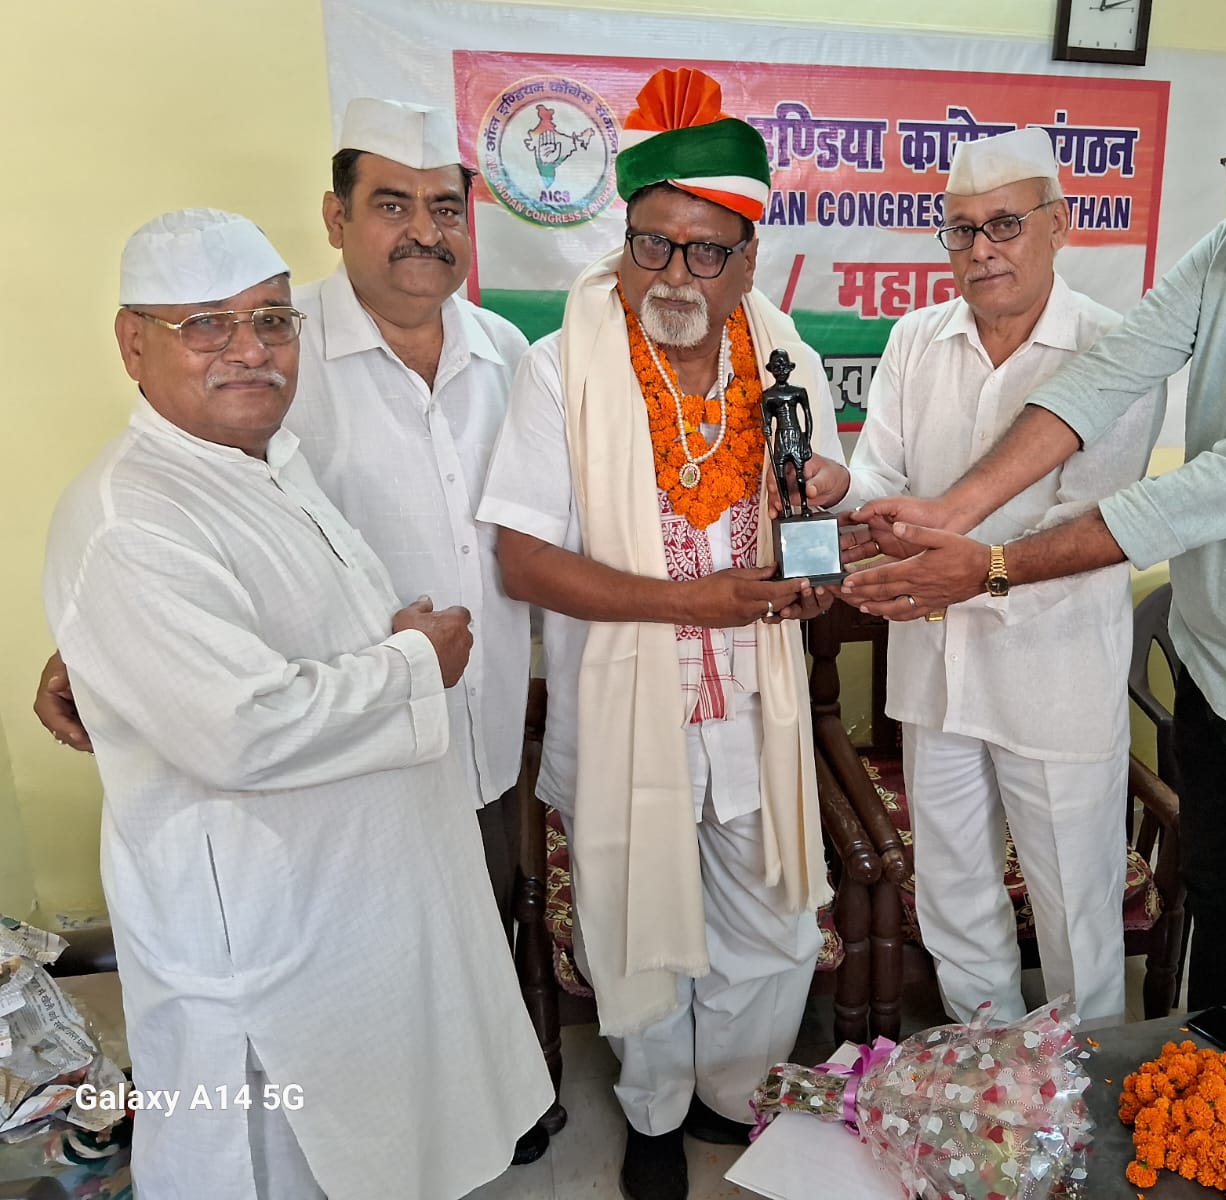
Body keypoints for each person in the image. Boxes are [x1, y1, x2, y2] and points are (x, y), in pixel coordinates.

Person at [841, 58, 1226, 1059]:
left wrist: (984, 566)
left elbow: (1193, 496)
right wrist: (947, 513)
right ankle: (1207, 1104)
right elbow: (1108, 378)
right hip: (1215, 675)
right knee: (1220, 912)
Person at [33, 98, 556, 1145]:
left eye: (444, 207)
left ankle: (483, 1117)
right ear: (336, 216)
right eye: (392, 204)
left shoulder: (505, 353)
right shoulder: (272, 366)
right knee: (325, 1056)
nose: (422, 231)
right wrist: (93, 646)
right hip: (314, 803)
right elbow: (176, 581)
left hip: (476, 728)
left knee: (468, 941)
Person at [476, 67, 845, 1200]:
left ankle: (730, 1093)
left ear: (749, 259)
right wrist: (689, 602)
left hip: (755, 702)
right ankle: (650, 1110)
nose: (674, 274)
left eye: (704, 251)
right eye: (652, 244)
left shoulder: (786, 364)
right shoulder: (560, 370)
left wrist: (814, 560)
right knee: (636, 921)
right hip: (626, 704)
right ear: (624, 240)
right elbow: (521, 560)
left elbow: (813, 516)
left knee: (773, 921)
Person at [837, 127, 1164, 1026]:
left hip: (1053, 674)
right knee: (951, 889)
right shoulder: (916, 337)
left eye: (1005, 224)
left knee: (1075, 905)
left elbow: (1094, 525)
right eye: (961, 229)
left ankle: (1080, 1078)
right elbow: (879, 477)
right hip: (934, 670)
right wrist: (844, 495)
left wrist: (969, 569)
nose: (981, 249)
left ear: (1059, 225)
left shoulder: (1113, 350)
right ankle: (990, 1070)